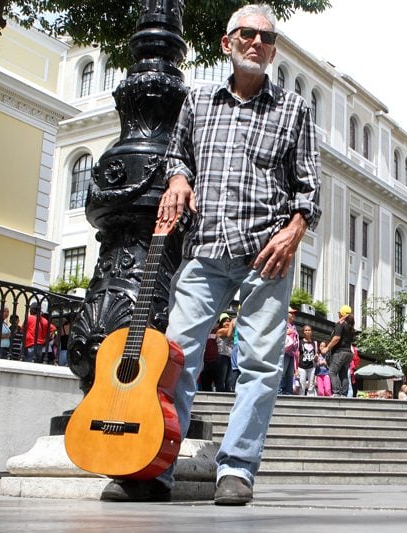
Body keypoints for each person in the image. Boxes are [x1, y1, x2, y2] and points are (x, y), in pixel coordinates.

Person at [100, 3, 320, 506]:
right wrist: (179, 178)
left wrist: (295, 231)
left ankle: (237, 469)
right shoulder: (197, 102)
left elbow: (308, 188)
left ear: (272, 50)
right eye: (247, 34)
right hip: (204, 250)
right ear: (227, 43)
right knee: (173, 356)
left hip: (266, 253)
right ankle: (155, 467)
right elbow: (178, 155)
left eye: (266, 38)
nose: (256, 43)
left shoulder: (294, 110)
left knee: (261, 365)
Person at [320, 305, 355, 397]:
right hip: (348, 353)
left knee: (332, 372)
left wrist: (327, 348)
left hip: (340, 352)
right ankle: (344, 394)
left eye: (339, 313)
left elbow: (337, 338)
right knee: (343, 374)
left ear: (341, 314)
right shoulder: (351, 327)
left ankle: (336, 392)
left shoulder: (340, 324)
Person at [279, 308, 299, 395]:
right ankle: (280, 390)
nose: (293, 315)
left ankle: (289, 391)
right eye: (291, 313)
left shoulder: (294, 326)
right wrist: (286, 332)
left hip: (292, 354)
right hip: (284, 352)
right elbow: (277, 334)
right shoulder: (283, 324)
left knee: (290, 373)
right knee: (283, 372)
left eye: (294, 314)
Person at [216, 313, 235, 392]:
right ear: (221, 324)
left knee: (229, 380)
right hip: (222, 356)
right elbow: (228, 334)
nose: (227, 323)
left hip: (230, 356)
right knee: (221, 379)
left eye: (228, 321)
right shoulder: (220, 331)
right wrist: (233, 322)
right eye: (225, 321)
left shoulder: (232, 331)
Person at [297, 325, 318, 396]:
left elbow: (316, 356)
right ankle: (301, 400)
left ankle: (311, 401)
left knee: (311, 385)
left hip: (311, 366)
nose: (307, 331)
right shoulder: (300, 342)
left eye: (309, 330)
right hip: (301, 366)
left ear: (311, 332)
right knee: (302, 384)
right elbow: (297, 355)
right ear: (303, 332)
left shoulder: (314, 343)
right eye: (306, 330)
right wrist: (296, 368)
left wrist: (316, 357)